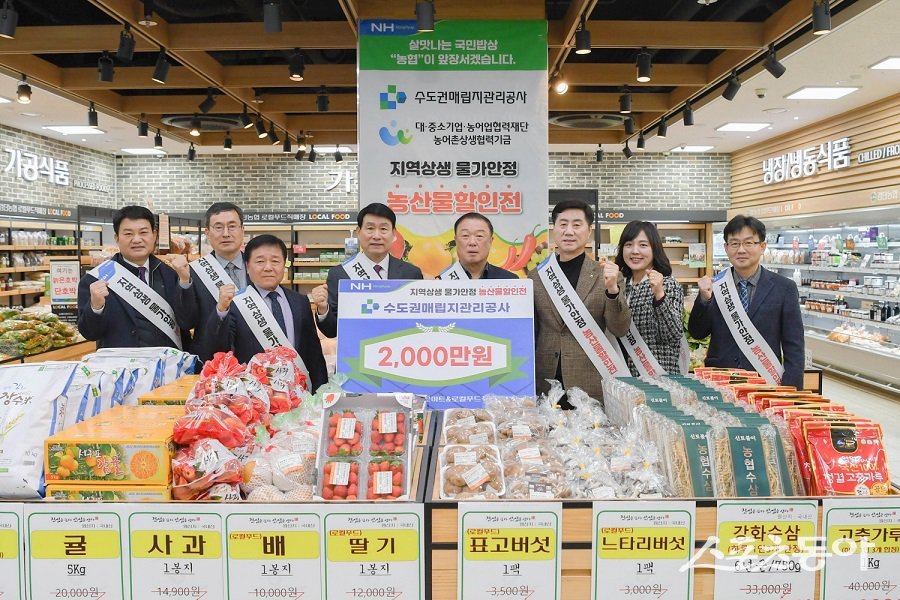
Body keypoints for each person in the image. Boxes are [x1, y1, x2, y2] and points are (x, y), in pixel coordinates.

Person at [529, 199, 631, 403]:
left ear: (589, 231)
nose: (569, 231)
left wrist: (612, 291)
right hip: (544, 381)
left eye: (577, 225)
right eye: (563, 224)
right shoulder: (537, 276)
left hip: (588, 383)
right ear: (554, 229)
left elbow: (619, 328)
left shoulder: (605, 275)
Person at [688, 214, 805, 388]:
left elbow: (794, 347)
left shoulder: (784, 288)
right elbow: (697, 333)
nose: (741, 250)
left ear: (762, 246)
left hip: (765, 383)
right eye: (734, 243)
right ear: (726, 248)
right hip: (719, 382)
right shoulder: (716, 285)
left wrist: (790, 390)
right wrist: (704, 299)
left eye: (749, 243)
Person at [207, 234, 328, 390]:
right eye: (260, 261)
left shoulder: (300, 302)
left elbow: (313, 353)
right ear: (247, 267)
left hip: (297, 392)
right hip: (254, 394)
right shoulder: (236, 303)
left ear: (284, 265)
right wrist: (221, 310)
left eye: (275, 261)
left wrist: (321, 392)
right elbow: (217, 348)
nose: (268, 267)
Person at [77, 205, 191, 349]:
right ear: (117, 238)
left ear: (154, 235)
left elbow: (187, 322)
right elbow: (89, 333)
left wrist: (185, 283)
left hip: (165, 361)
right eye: (128, 234)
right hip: (120, 362)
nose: (136, 239)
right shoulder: (95, 280)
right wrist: (96, 307)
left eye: (143, 232)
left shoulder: (171, 275)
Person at [312, 203, 423, 338]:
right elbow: (332, 331)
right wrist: (323, 309)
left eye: (383, 229)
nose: (376, 236)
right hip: (357, 348)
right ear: (358, 232)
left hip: (399, 347)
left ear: (393, 234)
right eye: (370, 228)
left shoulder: (411, 273)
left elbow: (419, 322)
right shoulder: (339, 274)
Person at [173, 202, 247, 361]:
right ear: (207, 232)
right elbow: (186, 322)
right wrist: (185, 281)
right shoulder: (193, 270)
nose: (226, 234)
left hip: (255, 360)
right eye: (218, 227)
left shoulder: (258, 267)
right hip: (210, 360)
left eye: (232, 226)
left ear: (242, 230)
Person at [614, 220, 685, 376]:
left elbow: (672, 335)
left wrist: (659, 294)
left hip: (657, 377)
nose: (635, 251)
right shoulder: (619, 285)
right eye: (628, 245)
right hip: (621, 377)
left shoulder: (668, 284)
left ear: (655, 249)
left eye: (643, 245)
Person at [438, 213, 519, 280]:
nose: (472, 242)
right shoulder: (441, 281)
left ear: (491, 241)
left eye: (479, 236)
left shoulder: (509, 280)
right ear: (456, 240)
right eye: (465, 235)